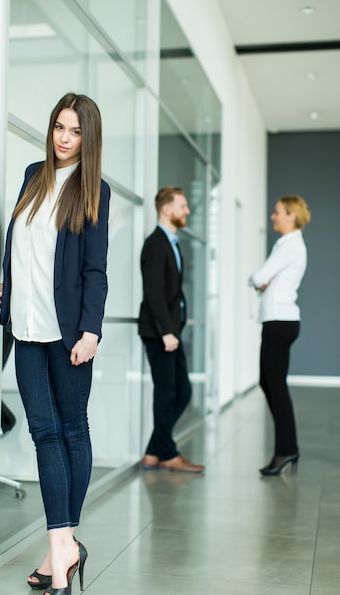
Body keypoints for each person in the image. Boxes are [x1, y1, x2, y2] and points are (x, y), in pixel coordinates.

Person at [0, 92, 109, 595]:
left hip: (68, 334)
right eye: (59, 126)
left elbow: (95, 270)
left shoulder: (92, 188)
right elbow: (20, 248)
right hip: (24, 326)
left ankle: (59, 557)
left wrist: (91, 330)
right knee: (44, 433)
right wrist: (2, 286)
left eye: (75, 131)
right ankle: (66, 549)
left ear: (88, 137)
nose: (64, 138)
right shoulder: (34, 175)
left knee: (72, 432)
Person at [138, 187, 204, 474]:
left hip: (170, 331)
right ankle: (167, 454)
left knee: (183, 391)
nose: (187, 210)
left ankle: (154, 451)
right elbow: (153, 292)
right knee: (167, 393)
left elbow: (172, 291)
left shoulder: (171, 243)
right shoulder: (155, 244)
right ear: (167, 209)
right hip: (159, 333)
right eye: (183, 205)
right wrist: (166, 331)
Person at [249, 195, 310, 476]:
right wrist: (263, 281)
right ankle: (288, 446)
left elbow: (259, 277)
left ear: (291, 216)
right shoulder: (290, 244)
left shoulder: (289, 245)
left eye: (277, 212)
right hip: (280, 321)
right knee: (270, 383)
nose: (272, 216)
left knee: (275, 385)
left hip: (279, 321)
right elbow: (264, 279)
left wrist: (259, 281)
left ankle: (286, 450)